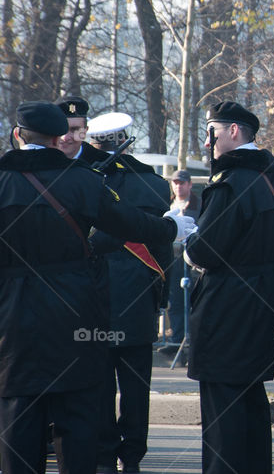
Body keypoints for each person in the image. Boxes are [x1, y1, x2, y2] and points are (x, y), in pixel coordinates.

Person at [0, 102, 193, 474]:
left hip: (12, 318)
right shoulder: (84, 181)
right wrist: (173, 229)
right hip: (75, 313)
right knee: (77, 415)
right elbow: (131, 224)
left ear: (16, 136)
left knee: (18, 411)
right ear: (59, 139)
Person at [184, 101, 274, 474]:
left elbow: (207, 249)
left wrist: (189, 246)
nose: (207, 141)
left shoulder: (232, 182)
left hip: (227, 303)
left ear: (234, 131)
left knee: (222, 405)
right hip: (265, 295)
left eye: (212, 131)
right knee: (250, 398)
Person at [85, 112, 175, 474]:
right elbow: (163, 249)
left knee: (101, 383)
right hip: (140, 296)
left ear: (96, 143)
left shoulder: (85, 180)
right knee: (137, 386)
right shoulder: (152, 183)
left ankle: (105, 454)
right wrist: (162, 298)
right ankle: (133, 455)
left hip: (95, 297)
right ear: (125, 138)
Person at [166, 170, 202, 347]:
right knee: (174, 300)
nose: (178, 186)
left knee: (193, 299)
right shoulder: (167, 204)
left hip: (192, 259)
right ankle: (176, 340)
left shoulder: (199, 205)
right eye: (176, 183)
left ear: (189, 184)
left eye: (182, 183)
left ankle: (193, 340)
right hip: (172, 258)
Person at [54, 94, 92, 160]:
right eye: (61, 129)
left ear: (85, 131)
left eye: (74, 130)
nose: (65, 138)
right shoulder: (36, 162)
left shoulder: (106, 164)